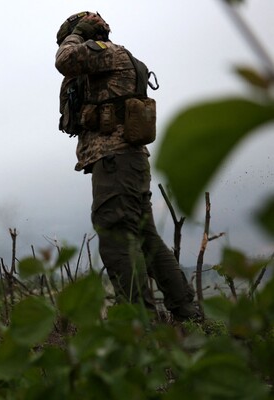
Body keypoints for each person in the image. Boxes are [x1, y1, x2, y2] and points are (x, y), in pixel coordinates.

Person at [54, 11, 200, 321]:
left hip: (116, 160)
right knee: (145, 237)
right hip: (126, 163)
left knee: (115, 235)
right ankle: (186, 311)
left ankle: (138, 324)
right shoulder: (111, 59)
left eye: (76, 33)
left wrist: (76, 34)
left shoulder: (107, 53)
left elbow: (65, 60)